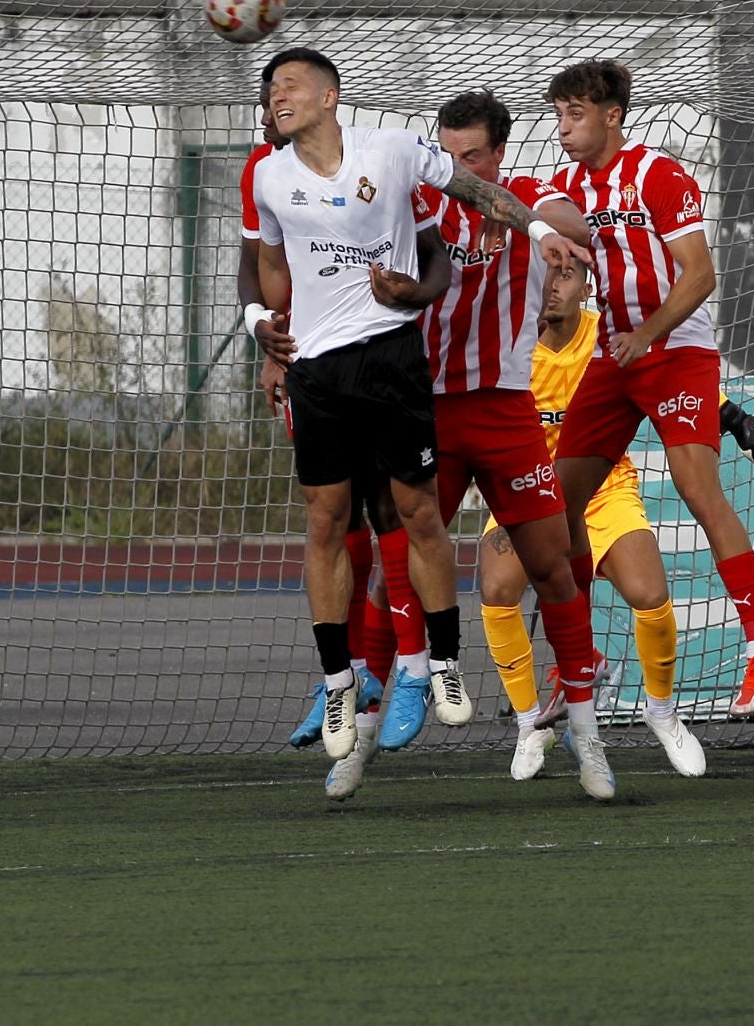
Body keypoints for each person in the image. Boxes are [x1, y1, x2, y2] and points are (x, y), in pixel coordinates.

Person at [250, 47, 585, 799]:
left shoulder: (396, 155)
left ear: (332, 96)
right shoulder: (267, 174)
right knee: (331, 524)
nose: (278, 95)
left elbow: (468, 210)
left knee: (418, 520)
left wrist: (534, 234)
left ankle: (439, 663)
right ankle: (346, 679)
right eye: (271, 88)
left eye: (291, 84)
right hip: (322, 373)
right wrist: (264, 330)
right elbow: (267, 264)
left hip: (408, 370)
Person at [372, 88, 614, 802]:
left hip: (508, 415)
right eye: (447, 155)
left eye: (471, 157)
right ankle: (387, 699)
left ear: (499, 153)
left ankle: (586, 731)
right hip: (428, 410)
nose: (458, 169)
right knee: (398, 552)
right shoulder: (420, 199)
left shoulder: (532, 197)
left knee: (554, 567)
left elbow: (571, 222)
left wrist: (537, 226)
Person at [479, 257, 754, 781]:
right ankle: (528, 726)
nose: (552, 285)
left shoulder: (608, 340)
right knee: (495, 587)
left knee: (650, 595)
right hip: (527, 490)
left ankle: (662, 713)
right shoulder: (504, 344)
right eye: (544, 274)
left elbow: (669, 379)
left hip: (605, 490)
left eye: (566, 275)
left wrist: (736, 419)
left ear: (589, 286)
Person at [545, 59, 754, 717]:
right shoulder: (567, 183)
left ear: (611, 116)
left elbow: (700, 274)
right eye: (558, 115)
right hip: (614, 357)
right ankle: (584, 658)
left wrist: (647, 333)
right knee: (558, 503)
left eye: (575, 114)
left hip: (674, 351)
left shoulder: (659, 174)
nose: (563, 128)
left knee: (696, 487)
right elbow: (537, 207)